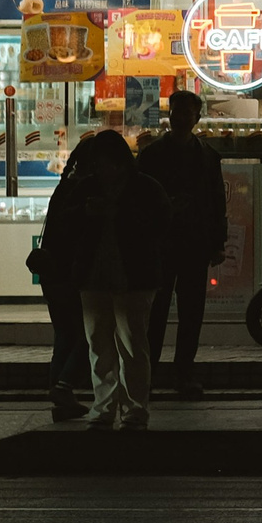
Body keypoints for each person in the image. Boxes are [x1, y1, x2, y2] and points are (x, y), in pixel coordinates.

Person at [63, 131, 173, 430]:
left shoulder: (141, 188)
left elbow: (160, 226)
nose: (102, 168)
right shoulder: (106, 188)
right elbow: (66, 221)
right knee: (107, 344)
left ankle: (124, 410)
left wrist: (114, 214)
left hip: (129, 275)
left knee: (128, 344)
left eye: (106, 162)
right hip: (105, 275)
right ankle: (115, 409)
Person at [137, 89, 228, 398]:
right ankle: (149, 375)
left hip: (194, 245)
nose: (181, 118)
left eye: (187, 114)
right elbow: (142, 202)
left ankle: (181, 375)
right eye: (177, 112)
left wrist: (218, 242)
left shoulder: (207, 156)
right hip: (161, 245)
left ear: (196, 118)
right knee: (156, 314)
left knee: (191, 314)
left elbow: (218, 202)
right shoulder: (151, 156)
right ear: (170, 115)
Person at [35, 131, 115, 421]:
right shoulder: (86, 189)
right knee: (85, 332)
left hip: (52, 270)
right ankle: (64, 385)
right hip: (72, 270)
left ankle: (59, 395)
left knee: (64, 334)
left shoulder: (64, 185)